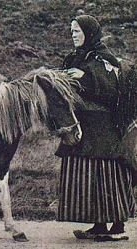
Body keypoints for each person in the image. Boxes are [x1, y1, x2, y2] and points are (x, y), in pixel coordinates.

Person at [55, 14, 135, 242]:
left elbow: (111, 92)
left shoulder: (104, 58)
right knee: (89, 175)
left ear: (89, 33)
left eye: (77, 31)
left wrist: (84, 77)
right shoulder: (75, 58)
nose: (73, 35)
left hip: (104, 129)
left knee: (107, 175)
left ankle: (117, 227)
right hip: (83, 125)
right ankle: (99, 225)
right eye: (71, 32)